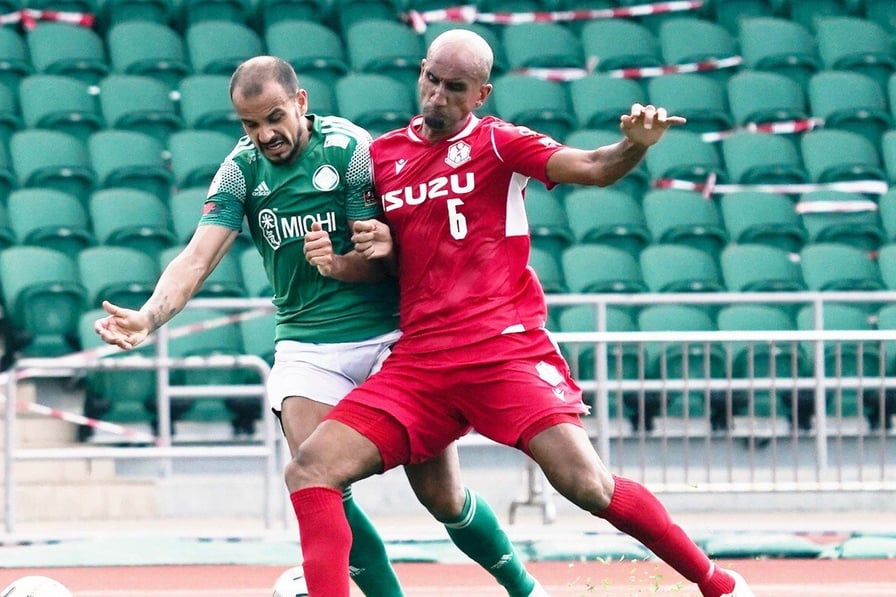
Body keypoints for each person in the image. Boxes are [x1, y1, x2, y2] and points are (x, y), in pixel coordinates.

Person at [290, 29, 754, 597]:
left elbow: (594, 166)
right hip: (420, 363)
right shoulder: (380, 156)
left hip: (502, 351)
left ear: (480, 94)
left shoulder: (501, 144)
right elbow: (384, 264)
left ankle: (717, 584)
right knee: (311, 469)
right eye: (430, 80)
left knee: (587, 486)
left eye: (454, 87)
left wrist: (635, 145)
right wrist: (362, 258)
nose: (437, 95)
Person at [94, 55, 549, 597]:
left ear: (301, 103)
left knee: (442, 498)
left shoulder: (352, 151)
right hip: (308, 347)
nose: (264, 134)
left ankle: (525, 590)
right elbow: (197, 258)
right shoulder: (240, 170)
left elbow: (387, 253)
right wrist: (149, 316)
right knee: (317, 478)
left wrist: (354, 256)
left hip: (390, 341)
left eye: (273, 117)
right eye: (250, 124)